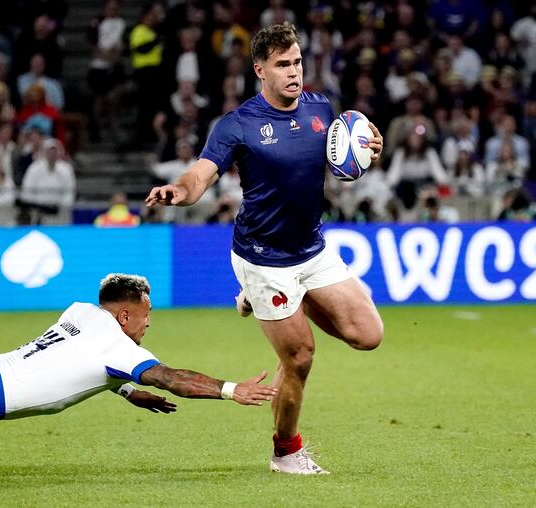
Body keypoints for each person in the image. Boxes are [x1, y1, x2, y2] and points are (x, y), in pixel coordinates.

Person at [146, 23, 384, 475]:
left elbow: (349, 158)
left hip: (311, 249)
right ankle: (286, 452)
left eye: (297, 62)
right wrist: (179, 191)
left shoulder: (322, 109)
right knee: (299, 357)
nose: (294, 72)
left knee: (368, 336)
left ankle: (257, 303)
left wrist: (373, 147)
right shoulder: (237, 124)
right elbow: (201, 173)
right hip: (262, 258)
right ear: (260, 70)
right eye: (282, 65)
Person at [0, 274, 276, 439]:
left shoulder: (81, 311)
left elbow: (78, 358)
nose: (148, 324)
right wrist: (231, 390)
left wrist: (125, 389)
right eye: (145, 315)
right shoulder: (118, 345)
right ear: (123, 314)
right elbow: (170, 377)